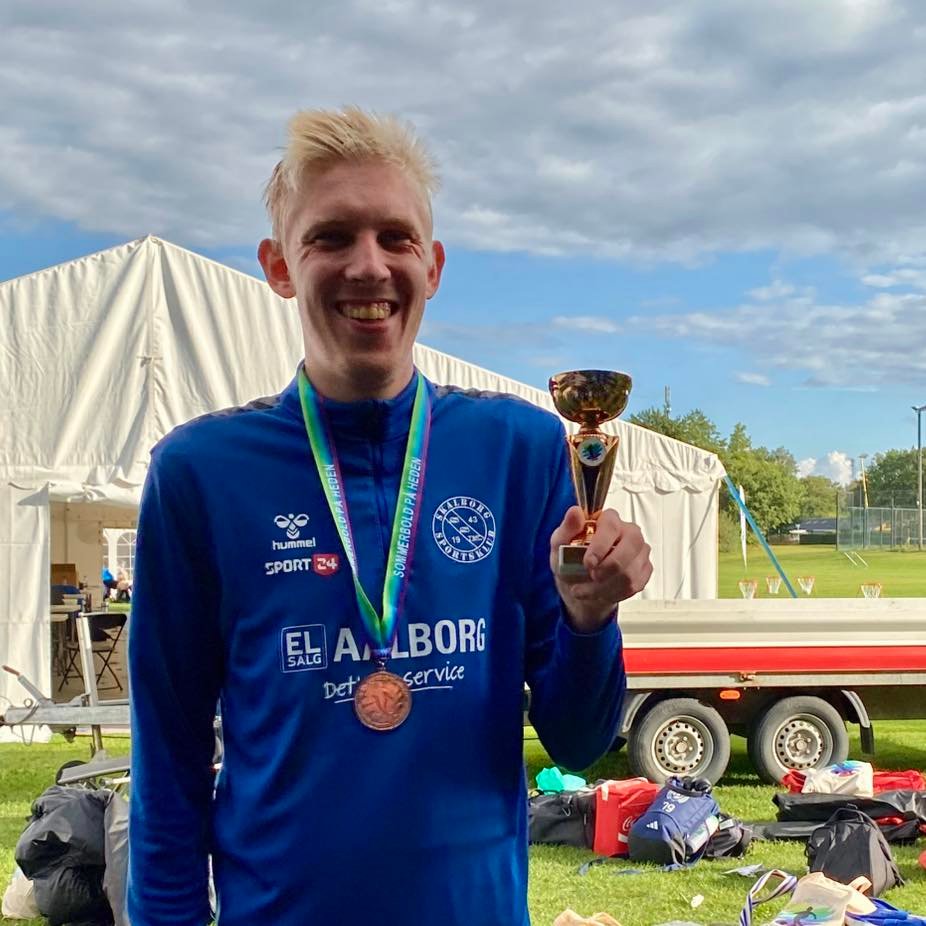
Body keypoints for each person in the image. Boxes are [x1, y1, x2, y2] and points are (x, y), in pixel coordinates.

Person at [127, 107, 652, 926]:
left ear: (431, 266)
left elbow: (580, 742)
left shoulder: (517, 450)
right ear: (279, 266)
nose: (368, 265)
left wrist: (590, 619)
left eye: (396, 238)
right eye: (331, 237)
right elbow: (169, 755)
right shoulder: (201, 473)